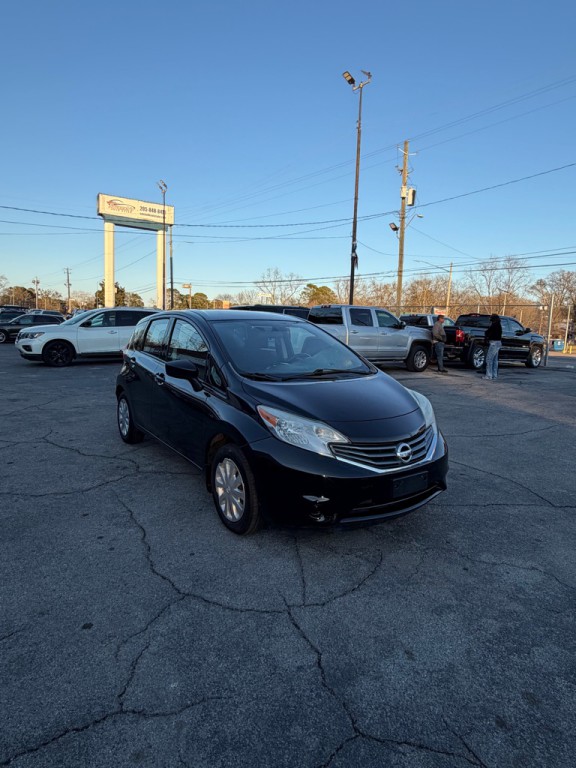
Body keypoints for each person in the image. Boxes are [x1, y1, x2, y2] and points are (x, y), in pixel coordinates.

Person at [483, 313, 502, 380]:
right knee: (494, 360)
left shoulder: (494, 325)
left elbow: (489, 333)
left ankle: (489, 375)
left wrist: (487, 334)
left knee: (489, 359)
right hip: (498, 343)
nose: (490, 319)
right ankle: (494, 375)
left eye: (491, 318)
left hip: (494, 343)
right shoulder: (498, 325)